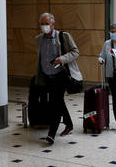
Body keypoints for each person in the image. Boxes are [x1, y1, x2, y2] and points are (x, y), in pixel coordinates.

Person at [35, 13, 83, 144]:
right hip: (47, 75)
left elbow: (75, 51)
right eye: (42, 23)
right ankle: (69, 124)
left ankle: (51, 134)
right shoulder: (38, 39)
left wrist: (61, 59)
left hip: (61, 75)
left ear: (52, 24)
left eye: (47, 23)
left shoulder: (63, 36)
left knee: (55, 104)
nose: (44, 26)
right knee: (58, 101)